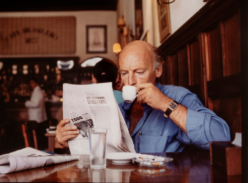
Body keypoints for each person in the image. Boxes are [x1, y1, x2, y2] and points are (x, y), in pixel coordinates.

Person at [55, 41, 231, 153]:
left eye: (139, 72)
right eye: (124, 73)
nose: (130, 81)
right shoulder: (119, 106)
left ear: (158, 70)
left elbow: (222, 137)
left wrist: (165, 104)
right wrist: (66, 141)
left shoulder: (177, 96)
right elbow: (98, 149)